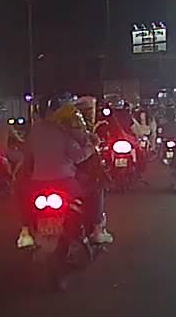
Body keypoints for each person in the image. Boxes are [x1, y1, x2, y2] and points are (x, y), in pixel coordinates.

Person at [16, 93, 113, 249]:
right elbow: (78, 156)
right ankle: (97, 230)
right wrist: (91, 147)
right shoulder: (65, 129)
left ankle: (25, 232)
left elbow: (27, 156)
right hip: (65, 182)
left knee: (23, 196)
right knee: (96, 189)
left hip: (37, 183)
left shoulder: (34, 130)